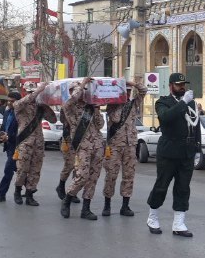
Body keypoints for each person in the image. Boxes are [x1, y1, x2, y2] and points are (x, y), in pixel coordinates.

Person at [145, 72, 201, 237]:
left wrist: (197, 147)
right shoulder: (163, 102)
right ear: (171, 86)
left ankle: (179, 223)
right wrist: (183, 103)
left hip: (186, 152)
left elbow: (195, 125)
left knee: (183, 188)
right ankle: (152, 217)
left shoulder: (191, 103)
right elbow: (166, 117)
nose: (182, 88)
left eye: (184, 85)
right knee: (162, 186)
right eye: (178, 85)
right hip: (169, 151)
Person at [60, 77, 106, 220]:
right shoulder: (69, 107)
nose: (81, 94)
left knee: (93, 177)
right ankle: (67, 200)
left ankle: (86, 209)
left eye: (83, 91)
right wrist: (83, 83)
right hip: (82, 146)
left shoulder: (90, 106)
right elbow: (71, 101)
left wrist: (97, 109)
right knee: (82, 175)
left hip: (97, 145)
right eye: (78, 91)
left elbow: (99, 125)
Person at [102, 81, 148, 217]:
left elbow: (144, 90)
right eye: (124, 91)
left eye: (128, 91)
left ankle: (125, 205)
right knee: (111, 175)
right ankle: (107, 204)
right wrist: (119, 102)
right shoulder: (112, 105)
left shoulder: (133, 104)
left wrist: (133, 83)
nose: (127, 94)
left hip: (130, 144)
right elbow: (115, 119)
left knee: (129, 175)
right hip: (115, 145)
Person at [13, 81, 56, 206]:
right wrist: (38, 91)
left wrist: (46, 106)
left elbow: (53, 120)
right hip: (25, 141)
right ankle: (17, 191)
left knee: (35, 169)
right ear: (25, 92)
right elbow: (23, 102)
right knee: (22, 169)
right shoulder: (19, 104)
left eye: (34, 91)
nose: (33, 94)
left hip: (38, 142)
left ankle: (30, 194)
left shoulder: (39, 106)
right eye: (30, 92)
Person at [0, 91, 21, 203]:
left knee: (9, 170)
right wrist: (1, 135)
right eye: (8, 100)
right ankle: (27, 190)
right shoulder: (7, 113)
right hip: (9, 147)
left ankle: (1, 194)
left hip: (18, 146)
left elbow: (22, 132)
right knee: (19, 169)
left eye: (12, 101)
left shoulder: (22, 114)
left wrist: (10, 137)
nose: (9, 103)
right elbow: (3, 127)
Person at [55, 102, 79, 205]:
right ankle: (61, 186)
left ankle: (73, 191)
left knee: (78, 167)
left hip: (80, 139)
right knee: (69, 165)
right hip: (68, 139)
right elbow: (62, 119)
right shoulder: (67, 104)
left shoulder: (85, 104)